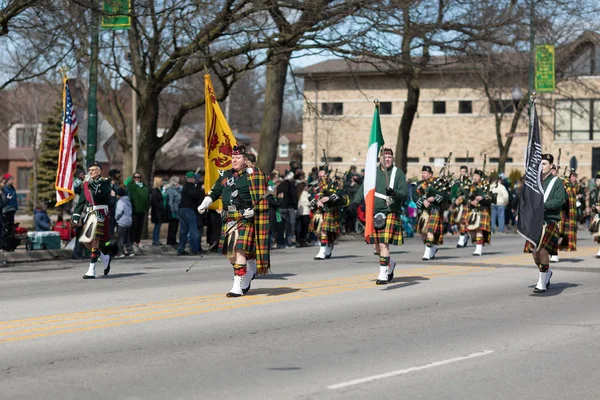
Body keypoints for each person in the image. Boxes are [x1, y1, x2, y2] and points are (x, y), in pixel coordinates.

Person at [197, 145, 270, 297]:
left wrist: (253, 210)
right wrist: (205, 202)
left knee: (238, 249)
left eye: (238, 158)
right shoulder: (225, 175)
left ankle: (237, 285)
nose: (234, 160)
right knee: (230, 253)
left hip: (244, 217)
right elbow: (215, 191)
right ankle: (249, 270)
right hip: (228, 218)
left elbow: (263, 197)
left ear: (245, 160)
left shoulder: (253, 175)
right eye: (233, 158)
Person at [353, 148, 408, 285]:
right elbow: (364, 188)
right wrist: (355, 201)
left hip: (390, 212)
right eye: (385, 156)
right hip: (374, 212)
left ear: (392, 159)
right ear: (380, 159)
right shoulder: (373, 172)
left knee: (384, 244)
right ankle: (390, 263)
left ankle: (383, 273)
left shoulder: (398, 173)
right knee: (376, 247)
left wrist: (393, 192)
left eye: (390, 157)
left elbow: (405, 193)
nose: (387, 159)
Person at [524, 154, 566, 293]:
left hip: (549, 221)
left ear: (551, 166)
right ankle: (547, 272)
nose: (542, 166)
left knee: (542, 251)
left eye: (545, 164)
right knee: (535, 253)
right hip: (534, 222)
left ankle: (541, 282)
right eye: (540, 164)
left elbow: (559, 201)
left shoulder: (557, 182)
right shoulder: (534, 182)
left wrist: (543, 205)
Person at [71, 161, 113, 279]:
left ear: (99, 171)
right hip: (90, 214)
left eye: (94, 170)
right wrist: (76, 216)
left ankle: (91, 269)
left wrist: (92, 184)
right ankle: (104, 257)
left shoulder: (104, 182)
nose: (91, 172)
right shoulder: (86, 184)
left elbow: (100, 196)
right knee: (85, 240)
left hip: (99, 212)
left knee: (94, 240)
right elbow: (82, 201)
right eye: (89, 170)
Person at [309, 165, 345, 260]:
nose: (320, 174)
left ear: (327, 174)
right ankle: (327, 246)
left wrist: (328, 198)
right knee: (317, 231)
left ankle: (323, 251)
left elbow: (340, 194)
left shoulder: (334, 182)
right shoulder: (315, 184)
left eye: (322, 172)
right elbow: (310, 195)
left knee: (325, 230)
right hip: (318, 210)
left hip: (330, 209)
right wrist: (317, 201)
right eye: (319, 172)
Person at [415, 166, 447, 260]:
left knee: (430, 230)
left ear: (431, 174)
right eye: (423, 173)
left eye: (425, 173)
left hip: (434, 209)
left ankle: (427, 253)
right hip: (423, 211)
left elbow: (444, 195)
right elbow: (414, 196)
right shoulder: (419, 185)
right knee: (422, 232)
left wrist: (434, 198)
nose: (423, 175)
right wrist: (423, 200)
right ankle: (432, 248)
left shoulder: (437, 183)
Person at [554, 170, 579, 262]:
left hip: (562, 212)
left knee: (559, 233)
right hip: (550, 211)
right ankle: (551, 252)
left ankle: (554, 252)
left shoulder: (568, 185)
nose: (574, 178)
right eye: (573, 176)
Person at [465, 170, 493, 256]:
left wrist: (482, 198)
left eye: (477, 176)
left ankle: (478, 249)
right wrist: (471, 202)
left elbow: (490, 198)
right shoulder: (470, 186)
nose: (475, 177)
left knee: (479, 229)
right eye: (474, 175)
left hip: (482, 209)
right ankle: (478, 242)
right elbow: (466, 198)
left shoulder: (486, 186)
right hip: (472, 210)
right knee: (471, 230)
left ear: (481, 177)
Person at [178, 171, 202, 255]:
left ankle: (180, 249)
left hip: (182, 210)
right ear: (192, 179)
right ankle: (195, 249)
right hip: (189, 210)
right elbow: (197, 195)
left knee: (183, 231)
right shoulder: (191, 187)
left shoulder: (185, 186)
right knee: (193, 231)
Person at [126, 171, 150, 249]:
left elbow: (147, 198)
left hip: (142, 210)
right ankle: (132, 241)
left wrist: (147, 207)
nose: (137, 179)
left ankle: (138, 240)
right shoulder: (131, 186)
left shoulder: (144, 186)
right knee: (134, 226)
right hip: (134, 210)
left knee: (140, 226)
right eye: (135, 177)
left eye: (138, 177)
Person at [451, 165, 471, 247]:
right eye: (461, 171)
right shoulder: (456, 182)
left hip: (465, 204)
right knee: (458, 222)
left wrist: (463, 197)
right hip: (457, 205)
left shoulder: (470, 182)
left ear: (466, 172)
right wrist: (454, 200)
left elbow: (470, 194)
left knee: (463, 222)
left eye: (464, 172)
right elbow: (452, 193)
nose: (462, 173)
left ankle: (461, 240)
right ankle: (465, 236)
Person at [277, 170, 298, 247]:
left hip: (281, 207)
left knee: (281, 225)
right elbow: (294, 197)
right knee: (290, 225)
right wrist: (295, 207)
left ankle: (280, 242)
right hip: (290, 207)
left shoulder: (280, 185)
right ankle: (288, 242)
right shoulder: (291, 186)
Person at [114, 187, 134, 258]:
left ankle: (120, 252)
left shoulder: (120, 201)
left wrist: (115, 218)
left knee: (120, 238)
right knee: (128, 238)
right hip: (129, 221)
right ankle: (130, 251)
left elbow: (119, 211)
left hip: (122, 221)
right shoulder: (128, 200)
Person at [150, 176, 167, 246]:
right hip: (157, 212)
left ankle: (157, 239)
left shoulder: (159, 190)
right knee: (157, 226)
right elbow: (155, 201)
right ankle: (155, 240)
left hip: (159, 211)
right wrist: (160, 207)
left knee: (158, 226)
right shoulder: (155, 191)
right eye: (161, 181)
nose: (162, 183)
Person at [166, 176, 181, 247]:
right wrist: (172, 211)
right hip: (173, 211)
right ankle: (170, 240)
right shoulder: (171, 190)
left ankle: (174, 240)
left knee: (175, 226)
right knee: (172, 226)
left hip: (178, 211)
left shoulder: (178, 190)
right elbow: (170, 202)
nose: (178, 183)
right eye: (177, 182)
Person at [3, 174, 18, 238]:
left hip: (12, 209)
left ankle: (10, 240)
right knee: (7, 225)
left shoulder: (12, 188)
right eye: (11, 180)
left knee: (11, 225)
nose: (12, 181)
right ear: (7, 180)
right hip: (7, 209)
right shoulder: (4, 188)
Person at [589, 172, 600, 258]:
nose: (598, 182)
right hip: (596, 215)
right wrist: (594, 206)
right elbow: (591, 202)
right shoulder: (593, 191)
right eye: (597, 180)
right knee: (596, 234)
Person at [296, 181, 311, 247]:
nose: (308, 187)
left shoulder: (300, 193)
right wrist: (312, 203)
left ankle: (301, 241)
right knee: (305, 228)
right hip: (305, 212)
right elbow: (306, 202)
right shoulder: (305, 193)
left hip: (301, 212)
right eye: (307, 186)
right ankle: (303, 241)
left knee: (302, 227)